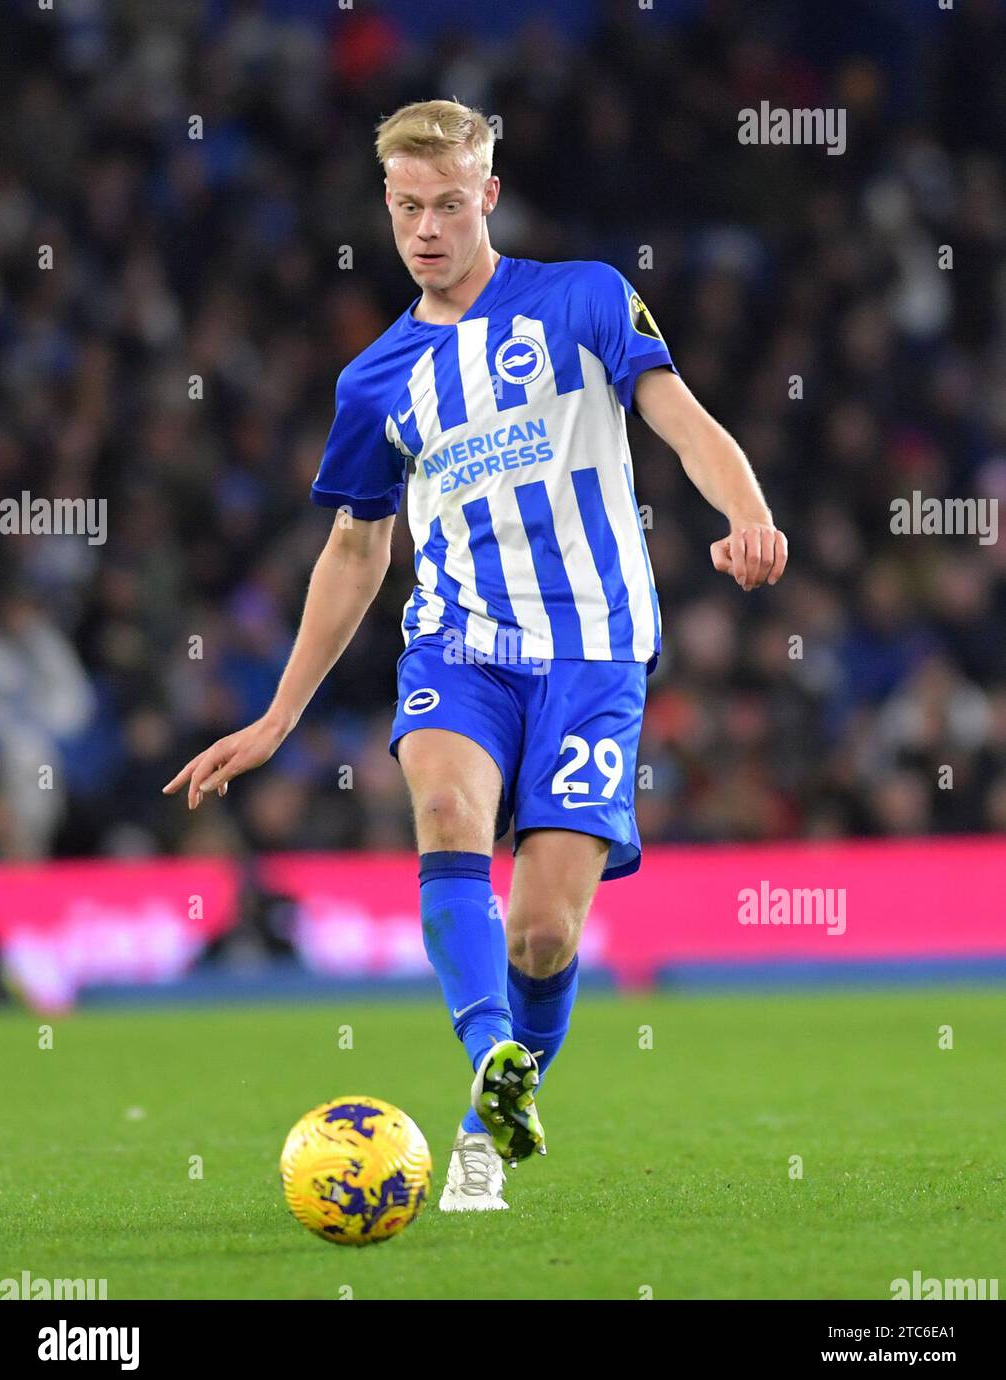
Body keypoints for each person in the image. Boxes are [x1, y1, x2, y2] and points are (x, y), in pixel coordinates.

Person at [163, 99, 788, 1212]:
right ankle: (494, 1053)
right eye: (406, 208)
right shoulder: (375, 380)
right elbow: (356, 550)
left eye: (449, 203)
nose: (427, 229)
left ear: (488, 194)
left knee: (544, 932)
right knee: (448, 815)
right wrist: (277, 717)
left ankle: (484, 1122)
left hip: (594, 652)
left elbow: (680, 419)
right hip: (460, 644)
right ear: (387, 209)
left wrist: (746, 511)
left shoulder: (584, 297)